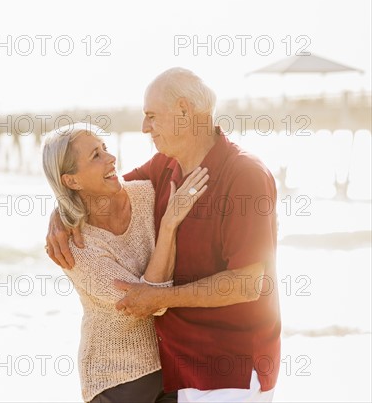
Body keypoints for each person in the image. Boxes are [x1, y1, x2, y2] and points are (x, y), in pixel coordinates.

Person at [45, 68, 281, 403]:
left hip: (232, 369)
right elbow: (102, 190)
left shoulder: (245, 175)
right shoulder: (164, 167)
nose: (144, 128)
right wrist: (61, 213)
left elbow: (247, 283)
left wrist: (160, 298)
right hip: (179, 370)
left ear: (184, 112)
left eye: (152, 116)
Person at [41, 122, 209, 403]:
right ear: (71, 181)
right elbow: (148, 303)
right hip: (116, 381)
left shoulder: (145, 194)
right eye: (96, 155)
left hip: (171, 366)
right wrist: (168, 225)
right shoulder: (77, 248)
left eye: (105, 148)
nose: (111, 157)